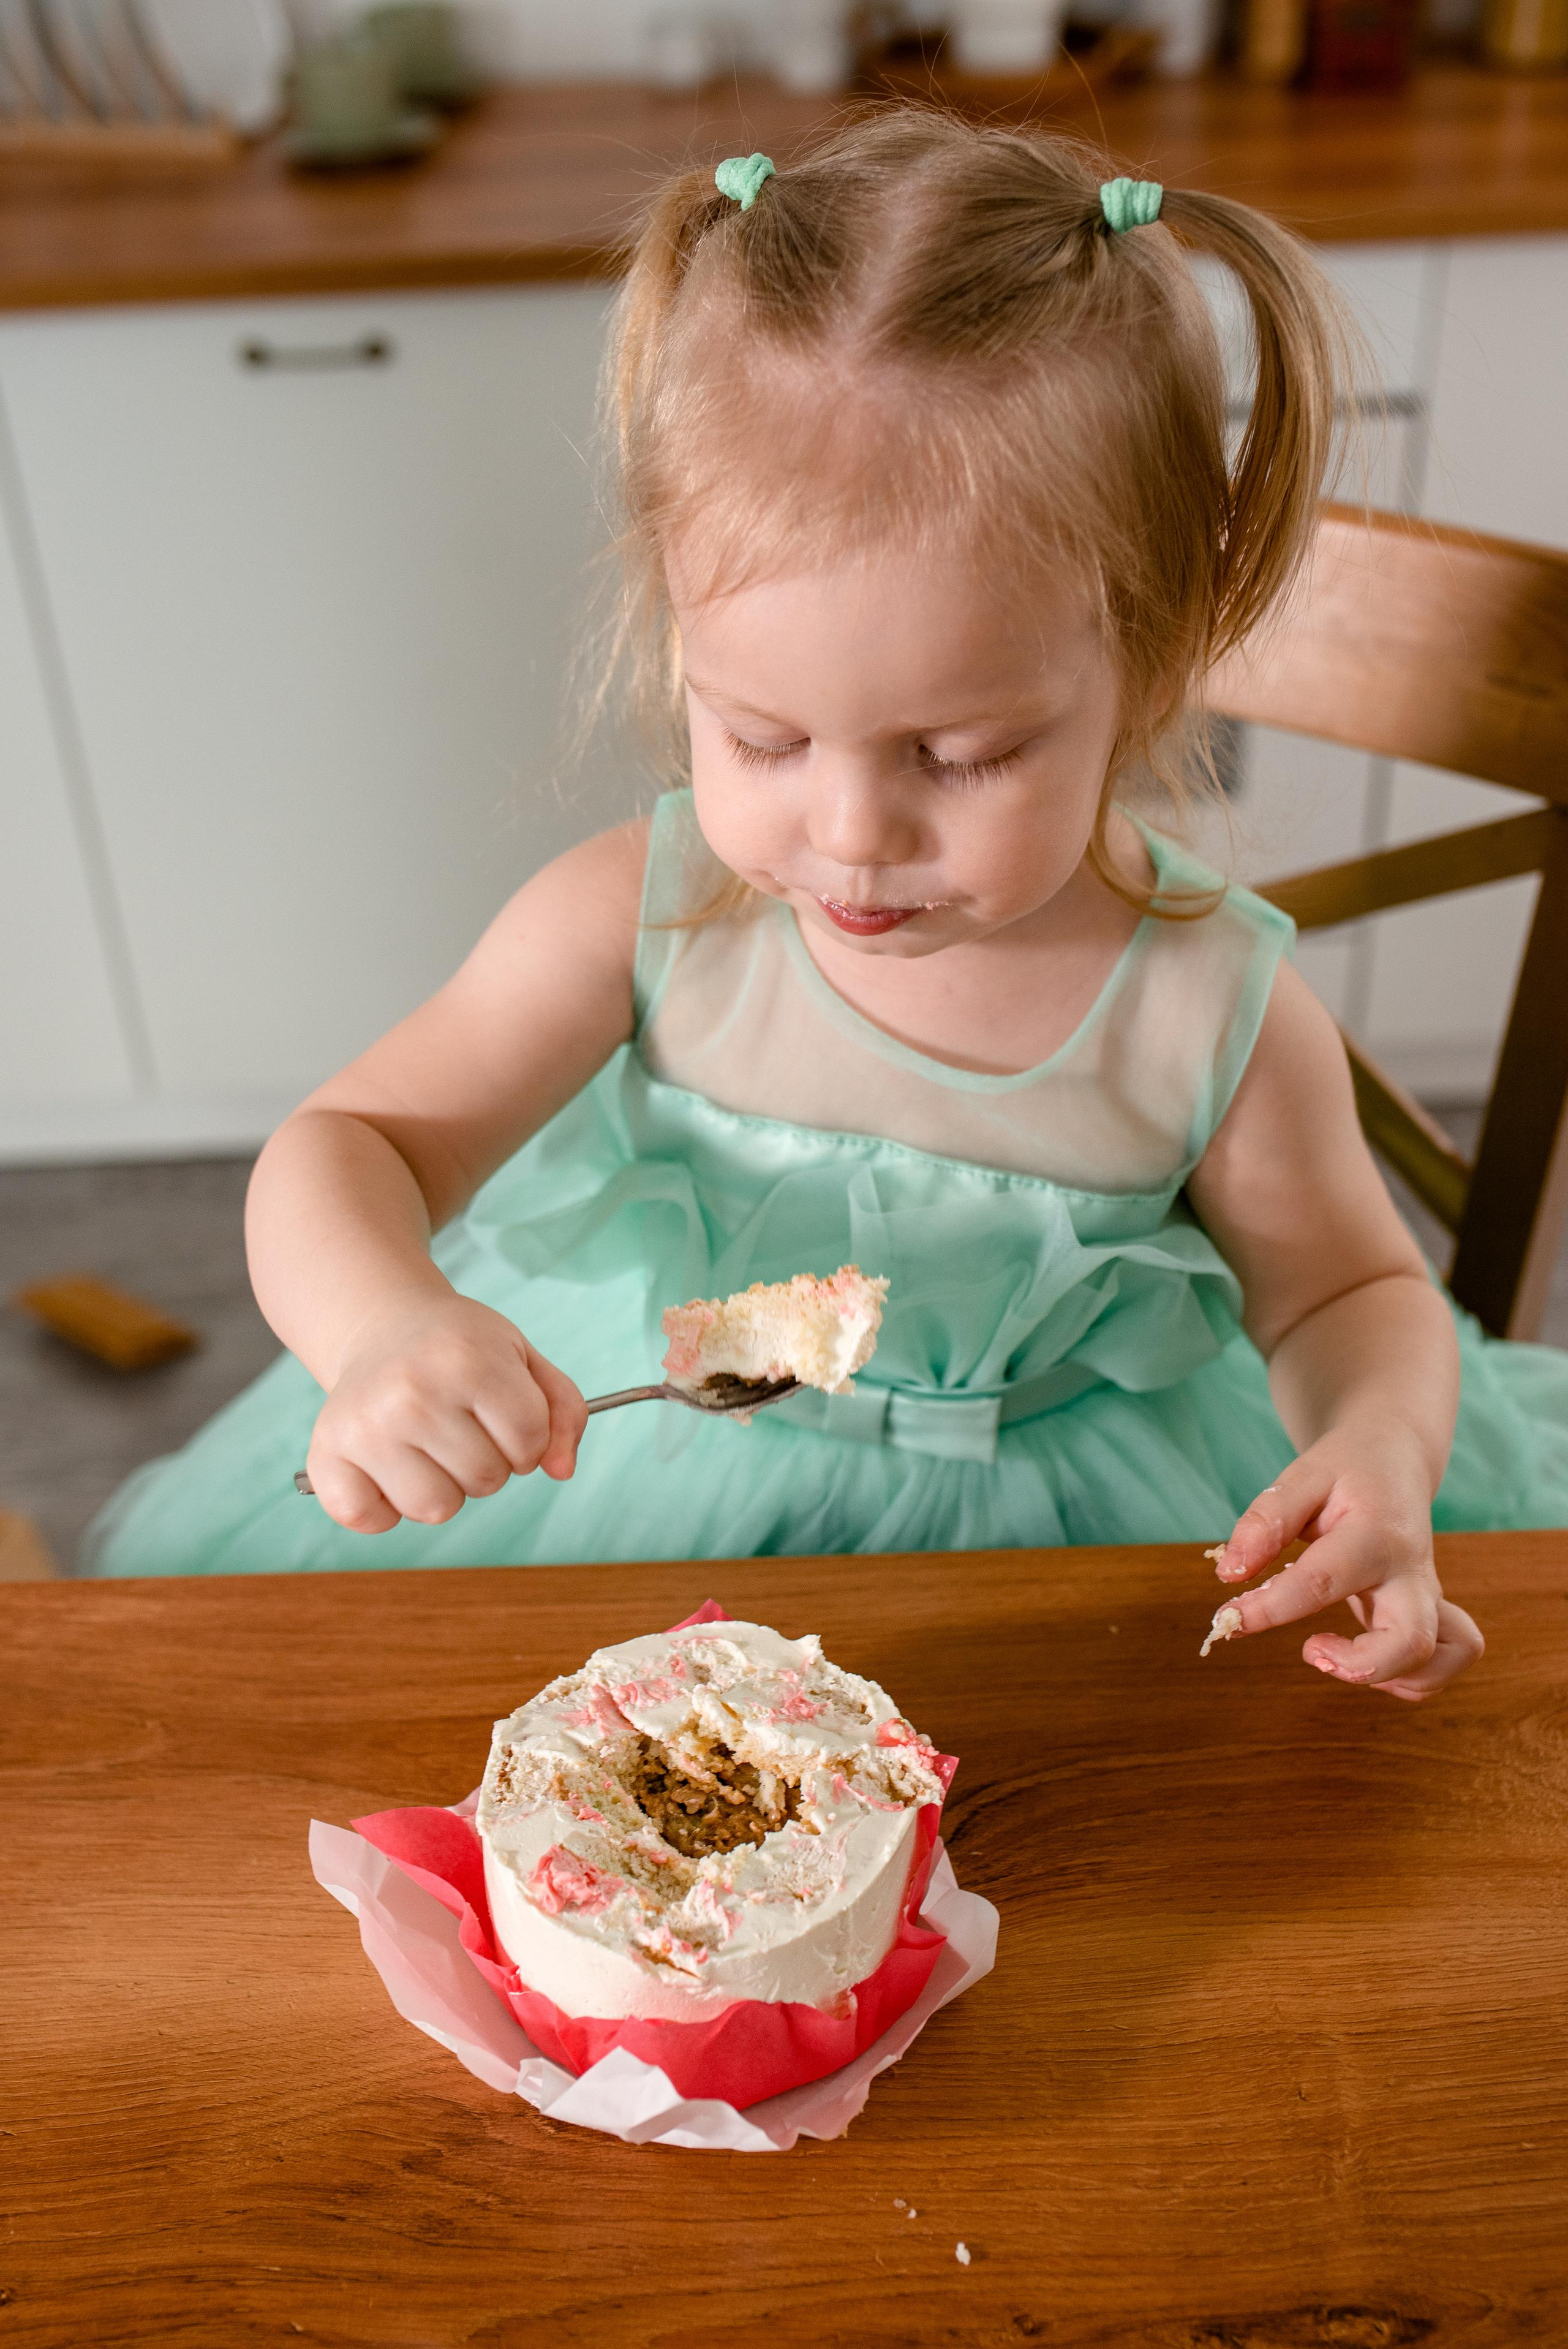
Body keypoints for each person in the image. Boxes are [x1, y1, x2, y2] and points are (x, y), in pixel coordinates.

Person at [88, 117, 1568, 1698]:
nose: (853, 836)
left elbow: (1350, 1293)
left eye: (964, 753)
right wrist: (381, 1326)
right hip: (652, 1493)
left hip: (1085, 1550)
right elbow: (350, 1145)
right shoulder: (644, 917)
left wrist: (1377, 1440)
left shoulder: (1212, 1013)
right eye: (763, 739)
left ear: (1147, 663)